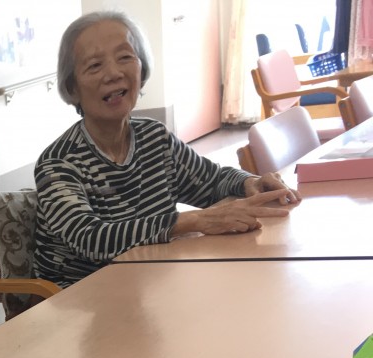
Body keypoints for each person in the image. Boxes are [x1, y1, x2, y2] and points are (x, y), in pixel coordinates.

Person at [34, 11, 301, 288]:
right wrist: (193, 221)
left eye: (125, 57)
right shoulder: (58, 163)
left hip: (147, 286)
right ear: (72, 87)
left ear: (142, 68)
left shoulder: (154, 137)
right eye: (94, 65)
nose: (113, 73)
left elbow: (211, 181)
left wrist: (250, 182)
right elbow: (90, 238)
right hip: (79, 298)